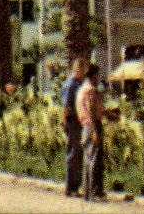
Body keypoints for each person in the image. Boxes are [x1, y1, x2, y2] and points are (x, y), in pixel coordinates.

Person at [77, 69, 107, 200]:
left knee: (88, 158)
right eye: (97, 76)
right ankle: (93, 190)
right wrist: (95, 131)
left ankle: (88, 191)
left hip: (86, 125)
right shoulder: (90, 90)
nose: (98, 79)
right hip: (92, 125)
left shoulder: (82, 89)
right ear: (93, 76)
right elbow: (91, 110)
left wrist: (107, 113)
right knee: (94, 158)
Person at [61, 59, 87, 198]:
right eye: (83, 70)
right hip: (73, 122)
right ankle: (71, 187)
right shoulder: (71, 84)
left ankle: (75, 185)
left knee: (78, 154)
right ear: (78, 69)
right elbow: (66, 107)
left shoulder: (78, 83)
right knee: (73, 153)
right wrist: (66, 124)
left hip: (78, 121)